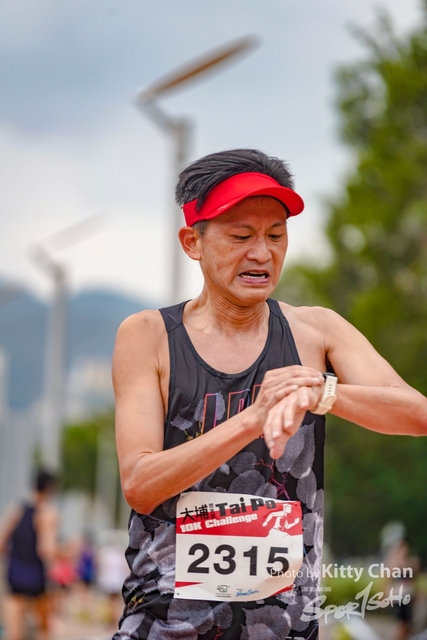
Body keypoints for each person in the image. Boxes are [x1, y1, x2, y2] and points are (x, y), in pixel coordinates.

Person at [112, 149, 427, 640]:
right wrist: (252, 418)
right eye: (241, 237)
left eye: (275, 236)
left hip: (285, 626)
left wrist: (321, 391)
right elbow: (139, 482)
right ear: (192, 242)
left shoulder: (317, 332)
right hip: (165, 623)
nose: (262, 253)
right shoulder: (149, 337)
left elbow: (416, 414)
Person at [0, 469, 58, 640]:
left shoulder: (16, 509)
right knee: (44, 629)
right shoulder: (47, 514)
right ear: (50, 488)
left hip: (15, 575)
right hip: (36, 578)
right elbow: (46, 550)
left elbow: (1, 542)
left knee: (14, 632)